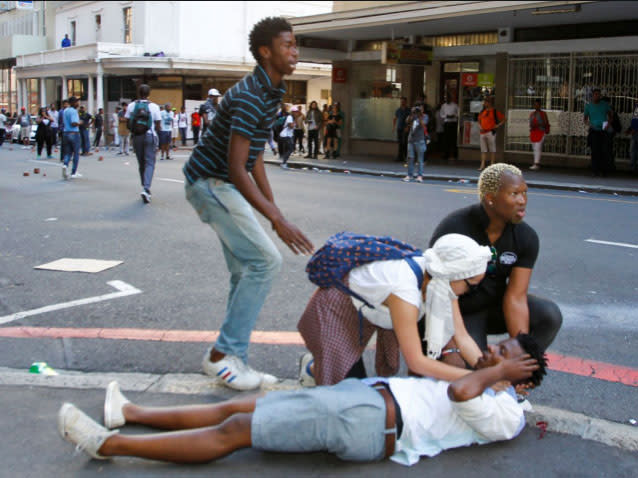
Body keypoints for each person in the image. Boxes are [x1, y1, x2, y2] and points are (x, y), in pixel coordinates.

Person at [57, 333, 546, 466]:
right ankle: (131, 413)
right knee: (236, 408)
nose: (491, 353)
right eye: (497, 348)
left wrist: (498, 374)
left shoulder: (506, 413)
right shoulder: (486, 378)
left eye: (504, 354)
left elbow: (461, 392)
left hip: (370, 421)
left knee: (236, 433)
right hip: (365, 400)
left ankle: (110, 446)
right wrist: (495, 368)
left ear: (522, 380)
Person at [182, 16, 314, 391]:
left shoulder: (271, 90)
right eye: (287, 45)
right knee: (265, 262)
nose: (295, 51)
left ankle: (228, 356)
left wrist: (276, 213)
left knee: (245, 270)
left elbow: (255, 158)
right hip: (210, 183)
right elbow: (236, 168)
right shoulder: (251, 95)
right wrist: (275, 219)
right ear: (265, 51)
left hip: (222, 181)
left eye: (294, 44)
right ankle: (224, 356)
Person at [298, 233, 491, 387]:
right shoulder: (404, 291)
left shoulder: (439, 281)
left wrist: (491, 373)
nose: (471, 291)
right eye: (471, 285)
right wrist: (477, 378)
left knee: (353, 370)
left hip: (369, 306)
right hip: (336, 308)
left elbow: (462, 337)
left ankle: (323, 363)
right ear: (451, 275)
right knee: (350, 395)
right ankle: (313, 369)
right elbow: (416, 362)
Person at [429, 164, 562, 353]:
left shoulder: (526, 237)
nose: (522, 200)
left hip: (495, 306)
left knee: (549, 315)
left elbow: (516, 297)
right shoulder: (455, 227)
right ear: (490, 198)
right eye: (514, 194)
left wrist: (519, 354)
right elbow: (435, 289)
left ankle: (518, 376)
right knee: (474, 367)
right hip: (461, 310)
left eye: (524, 193)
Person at [125, 84, 161, 204]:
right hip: (150, 135)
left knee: (142, 163)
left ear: (138, 93)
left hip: (137, 137)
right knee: (150, 162)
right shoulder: (154, 107)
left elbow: (128, 122)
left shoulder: (131, 106)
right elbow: (158, 125)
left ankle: (144, 187)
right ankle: (146, 188)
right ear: (149, 93)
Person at [584, 88, 611, 177]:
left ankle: (603, 170)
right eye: (595, 94)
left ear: (600, 96)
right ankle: (594, 170)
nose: (597, 96)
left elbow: (611, 115)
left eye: (598, 95)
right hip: (594, 130)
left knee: (604, 151)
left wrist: (608, 124)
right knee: (595, 151)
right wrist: (589, 124)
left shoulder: (605, 105)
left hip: (603, 131)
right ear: (592, 96)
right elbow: (585, 119)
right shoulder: (588, 106)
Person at [477, 97, 506, 171]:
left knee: (492, 149)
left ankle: (492, 164)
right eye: (485, 102)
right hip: (482, 132)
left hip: (490, 132)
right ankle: (482, 164)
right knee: (483, 149)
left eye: (486, 102)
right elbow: (479, 121)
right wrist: (480, 127)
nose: (485, 104)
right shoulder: (482, 112)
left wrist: (498, 125)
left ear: (490, 103)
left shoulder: (494, 111)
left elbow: (504, 119)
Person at [402, 106, 428, 183]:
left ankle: (419, 176)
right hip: (411, 140)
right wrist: (412, 114)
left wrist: (420, 116)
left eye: (420, 109)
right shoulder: (412, 116)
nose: (418, 111)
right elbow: (407, 122)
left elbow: (423, 125)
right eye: (417, 109)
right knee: (410, 158)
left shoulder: (425, 116)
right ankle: (409, 175)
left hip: (420, 140)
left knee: (420, 160)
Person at [61, 96, 82, 179]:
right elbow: (73, 123)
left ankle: (65, 165)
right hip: (74, 133)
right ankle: (73, 172)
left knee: (68, 152)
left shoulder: (65, 111)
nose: (78, 104)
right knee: (76, 153)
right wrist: (79, 123)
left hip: (66, 133)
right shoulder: (74, 111)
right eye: (77, 102)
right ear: (73, 103)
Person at [529, 99, 550, 171]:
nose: (536, 106)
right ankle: (536, 162)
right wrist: (532, 125)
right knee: (534, 148)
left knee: (538, 147)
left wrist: (538, 124)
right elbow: (530, 123)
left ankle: (536, 163)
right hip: (533, 132)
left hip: (540, 132)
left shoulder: (543, 113)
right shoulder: (532, 114)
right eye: (535, 104)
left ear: (540, 105)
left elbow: (546, 123)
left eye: (537, 104)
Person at [440, 96, 459, 161]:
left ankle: (455, 155)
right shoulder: (443, 106)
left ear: (451, 99)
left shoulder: (455, 105)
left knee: (453, 139)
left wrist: (454, 115)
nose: (447, 99)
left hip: (453, 123)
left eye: (448, 98)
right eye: (446, 99)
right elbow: (441, 114)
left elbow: (459, 113)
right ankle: (446, 154)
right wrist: (446, 116)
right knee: (446, 139)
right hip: (447, 123)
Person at [625, 102, 638, 173]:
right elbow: (635, 120)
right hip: (634, 132)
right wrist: (630, 129)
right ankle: (633, 167)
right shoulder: (636, 107)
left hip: (635, 131)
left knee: (633, 150)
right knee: (633, 150)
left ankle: (633, 166)